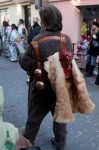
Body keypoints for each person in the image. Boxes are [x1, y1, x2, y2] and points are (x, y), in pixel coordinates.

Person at [17, 4, 95, 150]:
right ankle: (60, 144)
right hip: (61, 88)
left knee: (33, 120)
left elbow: (24, 62)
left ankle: (27, 144)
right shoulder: (66, 39)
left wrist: (27, 59)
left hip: (41, 90)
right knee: (60, 119)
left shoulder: (36, 41)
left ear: (44, 21)